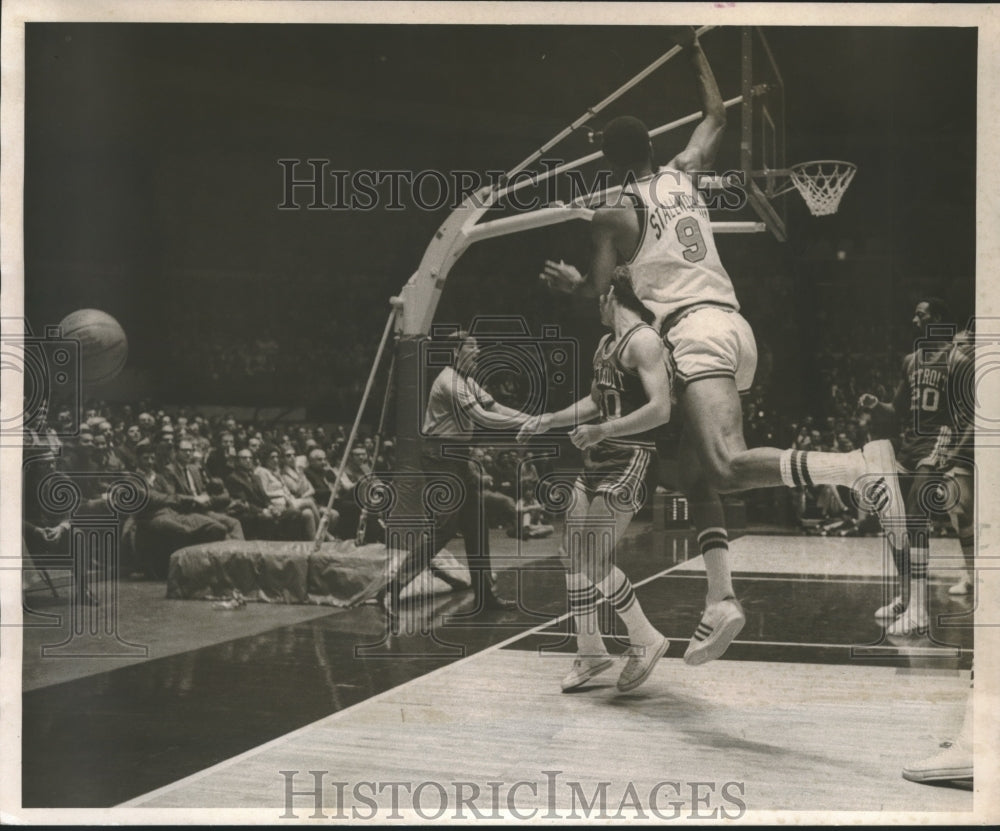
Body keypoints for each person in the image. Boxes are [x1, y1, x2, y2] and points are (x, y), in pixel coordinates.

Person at [540, 26, 898, 664]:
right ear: (650, 147)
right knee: (695, 470)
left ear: (610, 163)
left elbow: (598, 294)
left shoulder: (612, 214)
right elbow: (714, 113)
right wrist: (694, 50)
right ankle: (720, 599)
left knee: (726, 466)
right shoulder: (684, 173)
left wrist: (574, 281)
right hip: (732, 325)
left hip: (696, 329)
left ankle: (851, 467)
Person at [520, 267, 673, 692]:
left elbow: (661, 409)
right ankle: (590, 652)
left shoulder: (644, 341)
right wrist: (547, 420)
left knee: (592, 558)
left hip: (632, 457)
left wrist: (604, 430)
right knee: (572, 554)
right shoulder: (607, 344)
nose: (594, 304)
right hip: (599, 457)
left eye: (597, 297)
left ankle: (645, 638)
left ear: (610, 297)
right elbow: (595, 400)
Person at [349, 332, 535, 616]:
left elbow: (495, 406)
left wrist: (535, 419)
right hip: (440, 456)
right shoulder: (449, 381)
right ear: (456, 352)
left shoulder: (469, 381)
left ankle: (485, 596)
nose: (478, 351)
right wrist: (532, 424)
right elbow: (484, 418)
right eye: (472, 346)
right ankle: (391, 589)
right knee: (445, 526)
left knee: (476, 522)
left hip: (458, 455)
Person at [858, 299, 975, 634]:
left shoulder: (957, 360)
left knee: (915, 514)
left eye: (920, 315)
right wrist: (876, 404)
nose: (913, 320)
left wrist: (956, 452)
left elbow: (970, 415)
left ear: (936, 319)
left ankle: (920, 611)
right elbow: (897, 410)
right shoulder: (909, 362)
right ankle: (908, 597)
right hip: (909, 445)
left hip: (938, 442)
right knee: (893, 517)